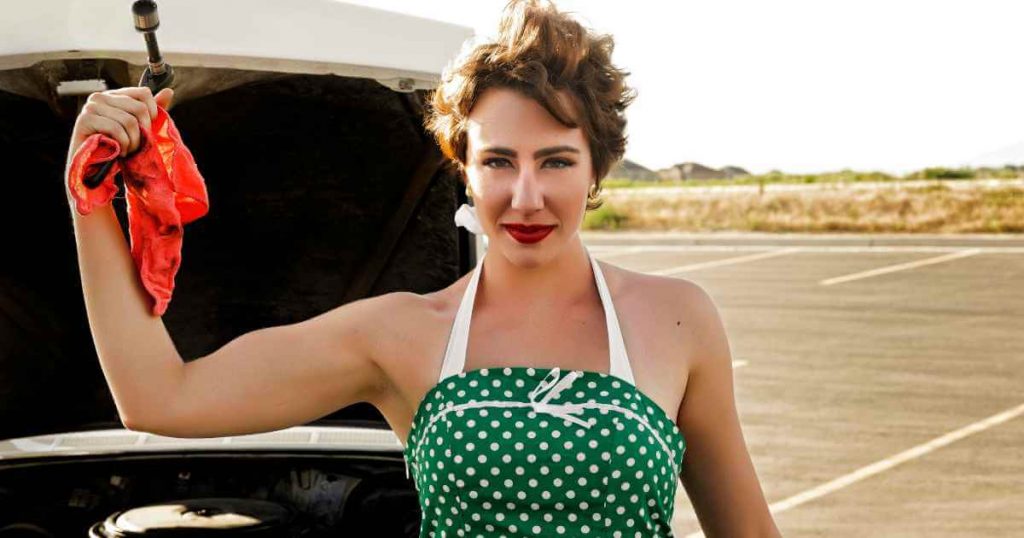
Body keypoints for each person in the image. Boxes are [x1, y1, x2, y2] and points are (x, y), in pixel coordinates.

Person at [65, 0, 779, 535]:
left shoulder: (677, 319)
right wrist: (89, 199)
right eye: (498, 160)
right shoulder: (404, 334)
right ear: (462, 168)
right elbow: (161, 397)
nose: (525, 196)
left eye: (556, 161)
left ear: (596, 169)